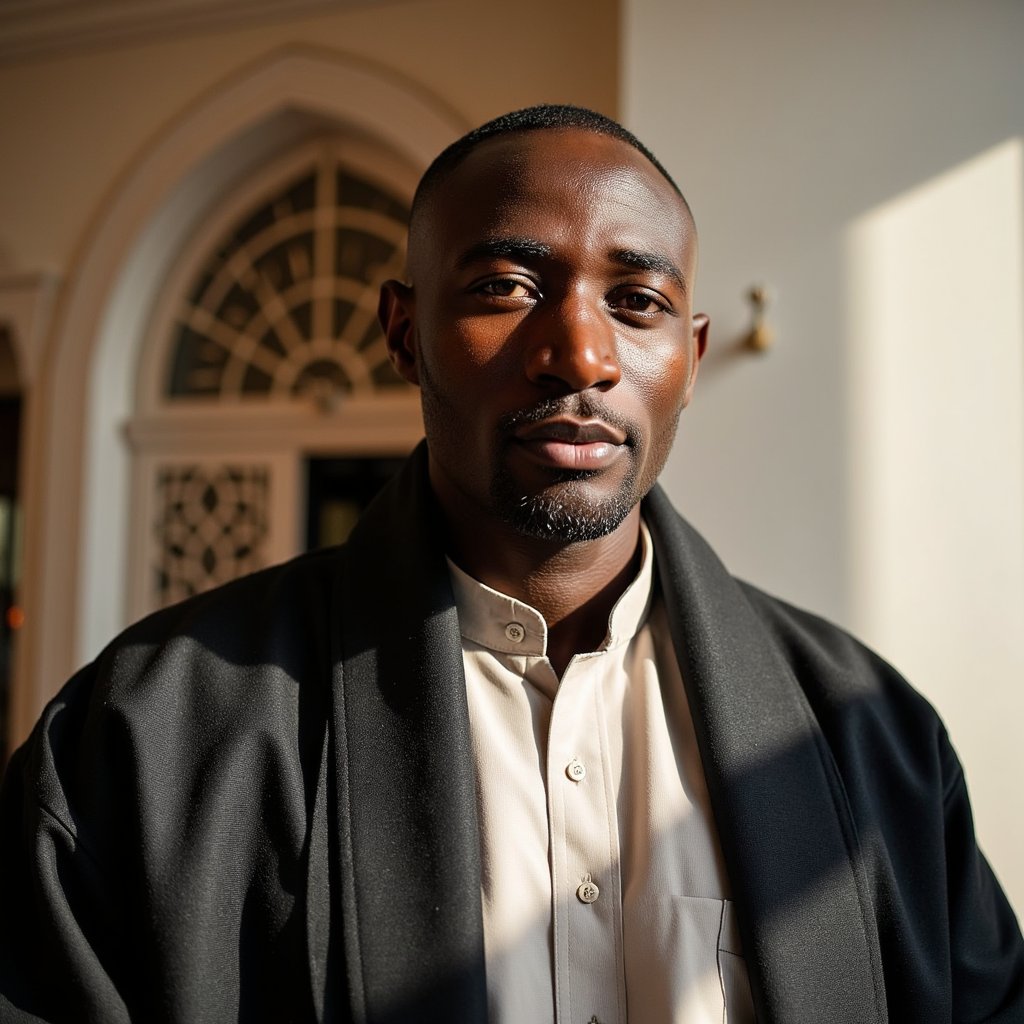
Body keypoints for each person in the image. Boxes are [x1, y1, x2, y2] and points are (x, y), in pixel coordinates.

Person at [1, 105, 1021, 1024]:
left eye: (637, 301)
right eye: (506, 287)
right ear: (404, 334)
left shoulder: (868, 734)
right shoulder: (147, 732)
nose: (581, 355)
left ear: (692, 358)